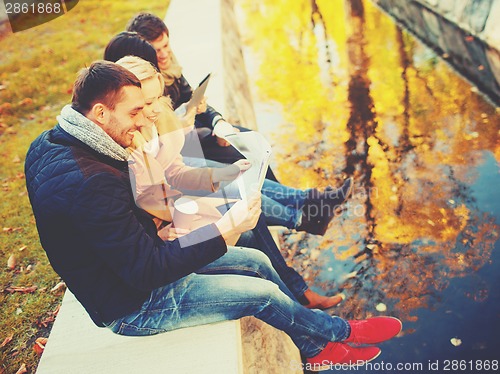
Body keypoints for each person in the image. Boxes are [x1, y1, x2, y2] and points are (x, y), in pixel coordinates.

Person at [25, 60, 402, 367]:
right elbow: (147, 271)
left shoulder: (52, 142)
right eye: (136, 111)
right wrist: (224, 229)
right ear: (101, 112)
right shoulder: (90, 180)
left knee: (255, 259)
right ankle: (338, 332)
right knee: (261, 294)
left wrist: (158, 227)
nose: (145, 120)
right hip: (132, 305)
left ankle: (313, 347)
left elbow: (105, 231)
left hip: (131, 267)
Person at [114, 55, 344, 309]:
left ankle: (299, 279)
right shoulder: (129, 145)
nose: (158, 106)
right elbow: (149, 203)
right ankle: (300, 269)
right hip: (171, 229)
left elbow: (175, 171)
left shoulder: (153, 121)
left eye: (159, 97)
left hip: (181, 210)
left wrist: (220, 175)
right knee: (243, 214)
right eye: (149, 101)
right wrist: (202, 202)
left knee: (242, 193)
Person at [104, 31, 354, 236]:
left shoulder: (167, 78)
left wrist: (215, 122)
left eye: (166, 46)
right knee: (236, 188)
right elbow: (160, 189)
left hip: (182, 162)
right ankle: (303, 214)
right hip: (178, 196)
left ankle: (309, 202)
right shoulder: (133, 135)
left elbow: (175, 156)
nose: (164, 55)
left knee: (243, 152)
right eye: (157, 52)